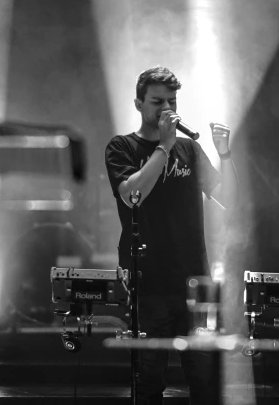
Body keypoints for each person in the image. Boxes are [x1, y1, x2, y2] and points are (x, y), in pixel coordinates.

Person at [105, 66, 237, 404]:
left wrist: (224, 154)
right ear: (138, 104)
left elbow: (230, 199)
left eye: (172, 102)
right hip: (149, 282)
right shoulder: (121, 148)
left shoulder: (189, 150)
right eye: (157, 101)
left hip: (195, 280)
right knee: (149, 383)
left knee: (206, 382)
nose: (166, 109)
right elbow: (132, 195)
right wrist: (163, 147)